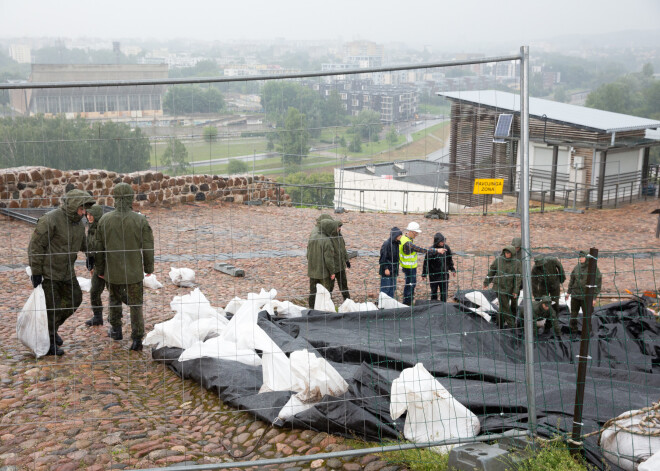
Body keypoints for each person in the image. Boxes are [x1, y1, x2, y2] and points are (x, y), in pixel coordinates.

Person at [28, 189, 95, 356]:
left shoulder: (78, 223)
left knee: (75, 298)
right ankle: (49, 342)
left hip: (67, 272)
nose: (84, 212)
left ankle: (52, 329)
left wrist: (90, 255)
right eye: (81, 208)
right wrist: (36, 272)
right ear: (73, 206)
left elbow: (82, 241)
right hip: (49, 273)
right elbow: (35, 246)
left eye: (85, 209)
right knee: (52, 307)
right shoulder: (50, 220)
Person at [95, 183, 154, 351]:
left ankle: (116, 329)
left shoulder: (104, 220)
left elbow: (99, 249)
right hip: (134, 271)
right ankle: (137, 339)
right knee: (136, 305)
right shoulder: (140, 220)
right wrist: (149, 267)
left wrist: (100, 270)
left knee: (114, 300)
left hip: (112, 271)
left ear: (114, 199)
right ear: (130, 199)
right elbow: (148, 246)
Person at [399, 222, 442, 306]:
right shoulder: (407, 243)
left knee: (410, 284)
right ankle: (407, 302)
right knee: (410, 284)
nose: (417, 235)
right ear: (410, 231)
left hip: (407, 266)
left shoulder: (404, 238)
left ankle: (408, 299)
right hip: (409, 267)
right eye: (416, 233)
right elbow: (420, 250)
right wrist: (436, 250)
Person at [483, 246, 521, 329]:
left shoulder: (517, 263)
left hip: (510, 287)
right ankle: (513, 327)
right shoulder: (499, 260)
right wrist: (486, 281)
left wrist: (515, 290)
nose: (507, 255)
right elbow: (492, 271)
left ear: (513, 254)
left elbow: (518, 278)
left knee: (503, 308)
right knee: (506, 307)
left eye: (509, 253)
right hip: (499, 287)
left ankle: (499, 324)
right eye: (506, 253)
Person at [566, 250, 602, 335]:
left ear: (587, 257)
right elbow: (572, 279)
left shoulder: (593, 268)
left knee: (587, 316)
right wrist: (568, 292)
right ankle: (573, 331)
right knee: (573, 315)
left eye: (582, 257)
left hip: (586, 297)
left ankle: (587, 332)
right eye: (579, 257)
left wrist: (594, 297)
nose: (580, 259)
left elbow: (597, 283)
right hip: (575, 295)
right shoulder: (576, 267)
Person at [307, 219, 340, 308]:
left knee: (313, 292)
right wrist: (332, 272)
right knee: (325, 293)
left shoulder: (312, 237)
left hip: (312, 271)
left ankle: (311, 309)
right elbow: (328, 259)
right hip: (323, 273)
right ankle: (325, 310)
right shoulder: (326, 241)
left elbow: (308, 254)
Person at [84, 204, 106, 326]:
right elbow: (90, 247)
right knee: (94, 292)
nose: (89, 217)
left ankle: (116, 321)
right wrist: (90, 261)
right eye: (87, 214)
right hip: (97, 266)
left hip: (106, 266)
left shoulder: (102, 229)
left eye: (91, 214)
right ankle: (98, 316)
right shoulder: (90, 229)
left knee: (116, 294)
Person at [421, 233, 456, 302]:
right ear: (437, 242)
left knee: (444, 292)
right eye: (441, 242)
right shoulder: (431, 250)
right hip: (433, 275)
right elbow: (426, 263)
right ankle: (434, 305)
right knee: (434, 292)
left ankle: (443, 305)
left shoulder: (446, 248)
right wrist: (424, 274)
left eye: (444, 241)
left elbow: (449, 259)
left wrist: (452, 269)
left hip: (444, 274)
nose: (443, 243)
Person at [379, 227, 402, 298]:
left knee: (392, 288)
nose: (401, 237)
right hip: (387, 270)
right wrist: (386, 268)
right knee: (386, 288)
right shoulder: (387, 244)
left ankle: (390, 304)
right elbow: (383, 257)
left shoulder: (396, 243)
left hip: (394, 270)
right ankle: (382, 305)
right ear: (395, 235)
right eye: (399, 235)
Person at [332, 222, 351, 301]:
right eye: (338, 227)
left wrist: (347, 260)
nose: (340, 228)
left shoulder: (340, 236)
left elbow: (343, 250)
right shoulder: (329, 238)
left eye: (340, 227)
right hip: (332, 267)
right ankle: (327, 302)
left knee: (344, 285)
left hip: (341, 266)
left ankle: (348, 301)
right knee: (329, 287)